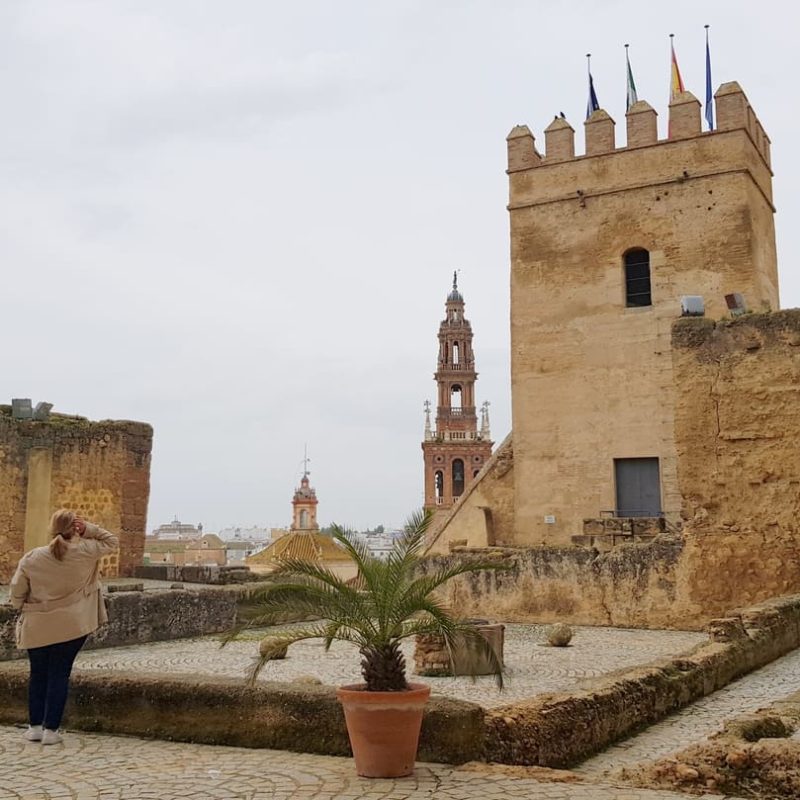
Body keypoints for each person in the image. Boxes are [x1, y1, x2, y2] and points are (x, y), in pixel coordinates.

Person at [9, 509, 118, 745]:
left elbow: (17, 591)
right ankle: (52, 730)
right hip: (72, 625)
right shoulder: (87, 551)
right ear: (75, 528)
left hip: (38, 625)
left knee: (38, 674)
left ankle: (35, 727)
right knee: (59, 674)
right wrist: (88, 528)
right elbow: (112, 541)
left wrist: (21, 605)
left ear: (51, 529)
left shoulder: (33, 557)